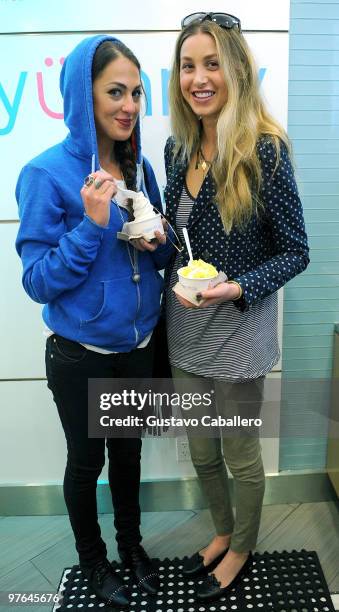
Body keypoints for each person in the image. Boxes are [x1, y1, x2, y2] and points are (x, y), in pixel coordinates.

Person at [15, 34, 173, 608]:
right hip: (80, 356)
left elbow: (163, 253)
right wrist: (90, 224)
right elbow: (37, 282)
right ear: (83, 98)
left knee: (128, 455)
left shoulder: (142, 165)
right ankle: (93, 561)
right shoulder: (46, 174)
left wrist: (160, 241)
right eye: (115, 91)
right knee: (86, 465)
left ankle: (132, 548)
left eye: (135, 92)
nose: (129, 104)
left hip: (137, 347)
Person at [164, 12, 309, 603]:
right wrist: (155, 238)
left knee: (241, 456)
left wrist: (240, 286)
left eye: (212, 63)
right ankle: (222, 530)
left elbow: (296, 252)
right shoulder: (180, 150)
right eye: (188, 65)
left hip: (239, 334)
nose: (198, 78)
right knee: (201, 452)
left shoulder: (265, 151)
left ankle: (244, 544)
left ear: (238, 70)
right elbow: (185, 237)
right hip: (186, 330)